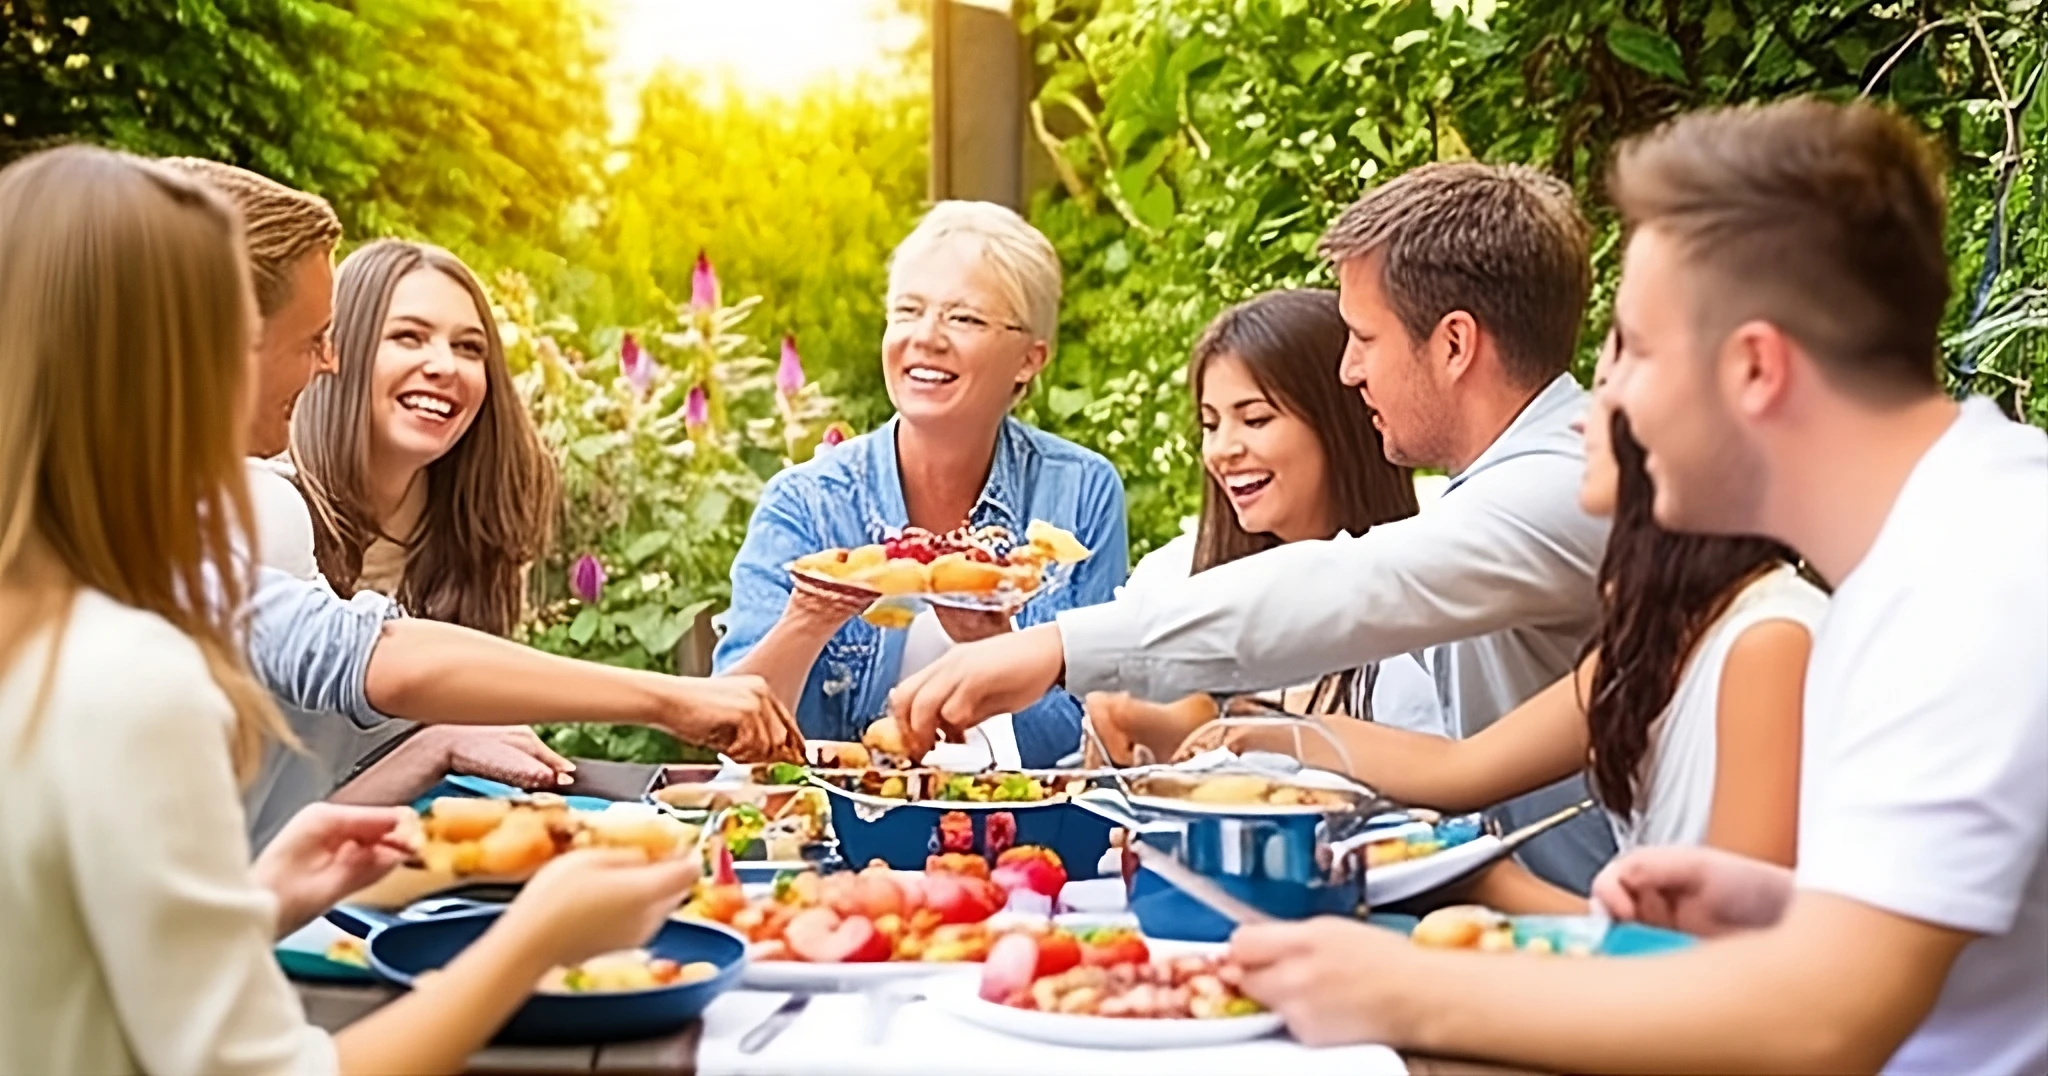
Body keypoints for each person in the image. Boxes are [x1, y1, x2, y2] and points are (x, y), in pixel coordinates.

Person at [1227, 99, 2047, 1075]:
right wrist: (1768, 909)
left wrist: (1402, 985)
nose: (1599, 397)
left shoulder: (1970, 578)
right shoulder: (1927, 547)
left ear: (1752, 367)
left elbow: (1828, 1023)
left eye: (1632, 350)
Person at [0, 144, 701, 1076]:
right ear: (189, 355)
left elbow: (65, 976)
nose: (320, 362)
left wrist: (266, 894)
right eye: (297, 335)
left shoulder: (46, 636)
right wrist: (537, 938)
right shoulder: (131, 677)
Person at [891, 165, 1620, 889]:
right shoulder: (1511, 484)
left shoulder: (1557, 486)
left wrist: (1056, 647)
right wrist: (1262, 737)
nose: (1347, 370)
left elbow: (1345, 588)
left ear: (1455, 345)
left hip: (1605, 936)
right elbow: (1465, 766)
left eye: (1365, 338)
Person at [156, 158, 803, 849]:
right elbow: (357, 658)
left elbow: (281, 837)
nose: (327, 363)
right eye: (403, 336)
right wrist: (669, 699)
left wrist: (431, 748)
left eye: (470, 348)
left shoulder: (459, 536)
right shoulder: (243, 511)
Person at [1201, 335, 1824, 912]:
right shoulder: (1659, 641)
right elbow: (1461, 769)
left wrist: (1492, 883)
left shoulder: (1769, 641)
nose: (1583, 419)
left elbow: (1732, 967)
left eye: (1611, 392)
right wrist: (1264, 734)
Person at [714, 201, 1128, 768]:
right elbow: (734, 737)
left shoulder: (1079, 492)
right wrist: (810, 617)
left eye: (965, 319)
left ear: (1029, 360)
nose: (926, 338)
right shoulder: (808, 502)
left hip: (1020, 833)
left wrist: (994, 648)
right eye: (908, 311)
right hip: (837, 837)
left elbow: (1093, 740)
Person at [1083, 288, 1440, 762]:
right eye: (1210, 425)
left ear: (1339, 424)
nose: (1224, 449)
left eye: (1254, 419)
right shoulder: (1171, 581)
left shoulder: (1423, 612)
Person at [293, 238, 554, 636]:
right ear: (336, 351)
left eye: (468, 347)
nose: (445, 365)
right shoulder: (265, 508)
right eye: (409, 337)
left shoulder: (481, 528)